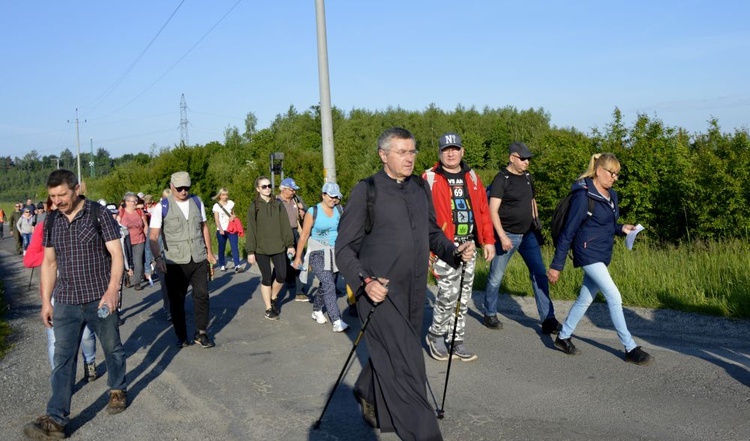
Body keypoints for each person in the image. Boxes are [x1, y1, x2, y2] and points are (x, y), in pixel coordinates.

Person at [335, 127, 474, 440]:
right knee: (409, 366)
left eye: (412, 151)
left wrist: (454, 251)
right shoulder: (366, 190)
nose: (409, 158)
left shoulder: (419, 188)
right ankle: (425, 435)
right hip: (380, 294)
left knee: (396, 352)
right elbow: (343, 248)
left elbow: (432, 232)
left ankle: (366, 388)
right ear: (384, 155)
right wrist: (364, 281)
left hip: (413, 292)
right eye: (401, 152)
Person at [23, 169, 127, 440]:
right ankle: (56, 419)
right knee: (62, 359)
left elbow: (117, 254)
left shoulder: (98, 213)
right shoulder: (50, 222)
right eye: (52, 196)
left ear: (76, 189)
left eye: (62, 195)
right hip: (66, 302)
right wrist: (46, 301)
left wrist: (113, 290)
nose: (57, 201)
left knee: (112, 347)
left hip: (99, 297)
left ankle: (116, 389)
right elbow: (49, 263)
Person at [547, 153, 653, 365]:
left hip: (602, 253)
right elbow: (569, 231)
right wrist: (556, 265)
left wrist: (621, 228)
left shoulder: (611, 196)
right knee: (614, 296)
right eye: (611, 173)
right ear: (599, 171)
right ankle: (630, 347)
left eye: (617, 174)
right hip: (587, 253)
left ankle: (563, 336)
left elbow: (605, 225)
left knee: (585, 299)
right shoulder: (582, 196)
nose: (614, 177)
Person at [423, 132, 495, 362]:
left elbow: (483, 210)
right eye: (446, 149)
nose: (451, 153)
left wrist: (488, 240)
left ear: (462, 151)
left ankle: (456, 341)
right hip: (443, 246)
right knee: (448, 293)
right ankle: (435, 335)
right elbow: (420, 216)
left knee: (463, 295)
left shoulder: (472, 177)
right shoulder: (429, 178)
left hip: (469, 245)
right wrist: (425, 248)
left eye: (454, 148)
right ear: (440, 153)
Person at [483, 142, 562, 334]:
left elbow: (532, 200)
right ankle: (490, 313)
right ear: (512, 158)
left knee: (539, 275)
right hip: (507, 235)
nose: (527, 162)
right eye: (523, 158)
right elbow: (492, 210)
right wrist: (501, 237)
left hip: (528, 235)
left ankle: (548, 319)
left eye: (528, 159)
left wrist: (536, 221)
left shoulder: (528, 177)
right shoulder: (502, 179)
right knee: (496, 277)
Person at [23, 196, 98, 381]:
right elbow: (29, 260)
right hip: (55, 293)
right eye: (54, 203)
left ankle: (89, 361)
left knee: (87, 335)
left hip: (82, 288)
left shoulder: (83, 222)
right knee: (54, 340)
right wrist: (52, 254)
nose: (60, 206)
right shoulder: (43, 227)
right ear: (49, 207)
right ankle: (60, 378)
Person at [149, 172, 217, 348]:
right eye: (179, 188)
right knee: (177, 300)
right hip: (175, 262)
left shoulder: (197, 202)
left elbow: (204, 227)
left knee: (202, 295)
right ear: (171, 186)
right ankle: (181, 334)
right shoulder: (162, 207)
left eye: (186, 187)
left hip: (198, 257)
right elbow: (154, 236)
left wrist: (209, 252)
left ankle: (201, 332)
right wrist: (158, 258)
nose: (183, 191)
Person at [293, 182, 349, 332]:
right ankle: (336, 320)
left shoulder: (339, 209)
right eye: (331, 196)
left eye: (337, 197)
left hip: (334, 252)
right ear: (323, 194)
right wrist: (298, 257)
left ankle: (317, 310)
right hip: (317, 252)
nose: (334, 199)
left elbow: (345, 231)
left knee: (327, 285)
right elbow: (304, 236)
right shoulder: (313, 211)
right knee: (329, 284)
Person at [246, 176, 295, 320]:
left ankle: (273, 297)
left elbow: (285, 225)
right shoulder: (254, 206)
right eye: (264, 186)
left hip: (278, 246)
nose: (267, 189)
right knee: (266, 278)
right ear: (258, 189)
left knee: (282, 275)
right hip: (261, 249)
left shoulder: (278, 204)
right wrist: (250, 251)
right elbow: (251, 229)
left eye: (269, 186)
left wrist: (290, 245)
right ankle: (268, 308)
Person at [276, 177, 308, 301]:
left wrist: (302, 209)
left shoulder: (296, 199)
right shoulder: (276, 201)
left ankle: (300, 291)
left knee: (300, 258)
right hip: (280, 233)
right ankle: (280, 284)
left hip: (295, 232)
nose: (293, 192)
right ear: (283, 189)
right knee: (282, 261)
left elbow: (306, 209)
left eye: (294, 189)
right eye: (291, 189)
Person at [118, 192, 148, 291]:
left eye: (136, 200)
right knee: (126, 261)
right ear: (127, 202)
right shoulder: (121, 212)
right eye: (133, 201)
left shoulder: (140, 212)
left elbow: (145, 225)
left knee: (138, 261)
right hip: (126, 241)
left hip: (139, 240)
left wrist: (147, 236)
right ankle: (127, 275)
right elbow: (117, 225)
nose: (135, 202)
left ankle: (137, 282)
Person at [212, 187, 242, 272]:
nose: (225, 196)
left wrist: (233, 217)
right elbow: (216, 219)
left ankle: (237, 265)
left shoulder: (230, 203)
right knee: (221, 247)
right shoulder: (216, 206)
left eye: (226, 195)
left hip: (231, 228)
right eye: (223, 195)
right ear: (220, 196)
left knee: (234, 247)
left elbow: (233, 214)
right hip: (221, 230)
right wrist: (220, 229)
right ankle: (222, 264)